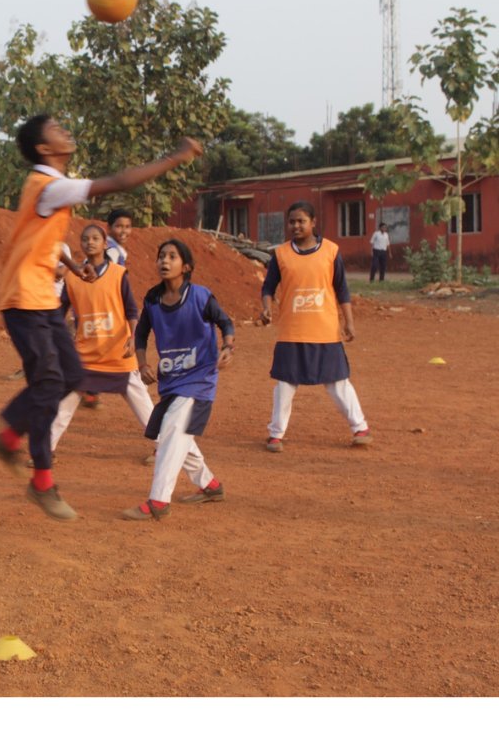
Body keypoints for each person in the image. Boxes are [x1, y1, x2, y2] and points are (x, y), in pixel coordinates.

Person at [0, 113, 203, 520]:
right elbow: (120, 181)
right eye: (56, 129)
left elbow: (47, 242)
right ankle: (35, 471)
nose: (65, 131)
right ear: (43, 148)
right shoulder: (49, 184)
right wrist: (175, 157)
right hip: (22, 300)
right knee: (49, 382)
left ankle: (12, 438)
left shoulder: (49, 189)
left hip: (42, 301)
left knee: (70, 377)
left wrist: (72, 268)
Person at [122, 238, 234, 521]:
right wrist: (142, 362)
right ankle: (210, 485)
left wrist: (227, 347)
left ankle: (158, 501)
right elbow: (140, 334)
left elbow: (225, 323)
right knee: (177, 433)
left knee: (172, 431)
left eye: (172, 256)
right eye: (161, 256)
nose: (164, 261)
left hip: (200, 379)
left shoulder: (200, 296)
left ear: (185, 266)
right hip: (171, 380)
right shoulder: (153, 299)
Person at [259, 200, 372, 451]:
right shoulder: (280, 254)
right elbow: (268, 287)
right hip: (292, 329)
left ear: (313, 222)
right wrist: (266, 308)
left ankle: (360, 428)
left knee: (337, 382)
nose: (296, 226)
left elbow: (342, 289)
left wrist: (349, 322)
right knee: (285, 384)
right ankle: (276, 434)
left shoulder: (331, 251)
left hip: (325, 329)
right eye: (292, 222)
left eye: (301, 221)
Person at [48, 224, 156, 460]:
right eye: (85, 239)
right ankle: (46, 450)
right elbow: (61, 311)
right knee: (65, 403)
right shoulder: (73, 279)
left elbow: (131, 310)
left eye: (96, 238)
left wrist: (132, 337)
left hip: (117, 353)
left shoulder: (118, 274)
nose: (90, 242)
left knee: (142, 403)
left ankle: (164, 445)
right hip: (86, 354)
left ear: (105, 244)